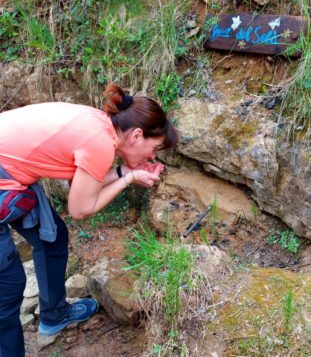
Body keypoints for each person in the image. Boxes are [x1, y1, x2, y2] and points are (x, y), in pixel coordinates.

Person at [0, 84, 178, 357]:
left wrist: (125, 171)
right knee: (8, 289)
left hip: (8, 174)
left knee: (53, 237)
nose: (152, 156)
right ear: (137, 135)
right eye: (154, 148)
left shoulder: (99, 125)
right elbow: (80, 208)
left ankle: (54, 315)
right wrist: (129, 177)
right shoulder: (100, 142)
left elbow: (85, 185)